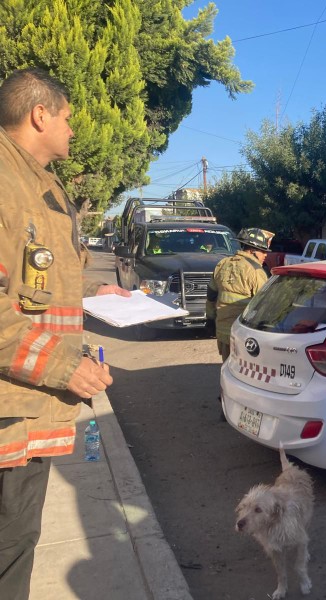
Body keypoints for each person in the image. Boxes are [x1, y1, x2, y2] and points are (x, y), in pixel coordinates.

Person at [0, 67, 131, 599]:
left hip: (26, 406)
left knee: (15, 543)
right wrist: (67, 366)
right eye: (68, 118)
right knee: (8, 549)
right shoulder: (8, 185)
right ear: (39, 114)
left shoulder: (36, 185)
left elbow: (32, 286)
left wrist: (91, 296)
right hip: (13, 407)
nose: (74, 131)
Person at [206, 227, 274, 360]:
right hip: (245, 336)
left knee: (228, 369)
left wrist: (209, 319)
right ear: (252, 251)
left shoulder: (222, 264)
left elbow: (211, 295)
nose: (265, 255)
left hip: (223, 332)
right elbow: (265, 306)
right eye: (262, 251)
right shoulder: (256, 271)